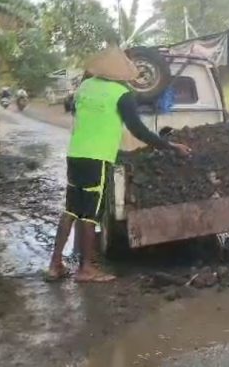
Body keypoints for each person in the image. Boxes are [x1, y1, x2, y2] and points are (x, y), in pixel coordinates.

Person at [45, 46, 191, 283]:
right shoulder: (122, 94)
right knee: (91, 214)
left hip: (75, 155)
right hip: (97, 158)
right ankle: (86, 269)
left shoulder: (84, 87)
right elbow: (138, 130)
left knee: (71, 209)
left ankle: (55, 264)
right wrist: (170, 146)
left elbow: (74, 110)